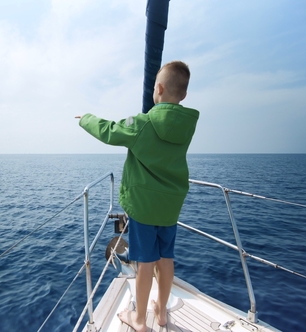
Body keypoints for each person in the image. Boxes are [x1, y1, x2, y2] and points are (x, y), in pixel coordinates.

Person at [76, 60, 199, 332]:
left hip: (144, 207)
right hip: (170, 206)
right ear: (184, 94)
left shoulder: (141, 123)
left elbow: (109, 130)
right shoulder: (186, 127)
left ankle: (140, 321)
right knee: (166, 258)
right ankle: (162, 314)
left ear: (158, 88)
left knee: (145, 263)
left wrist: (86, 118)